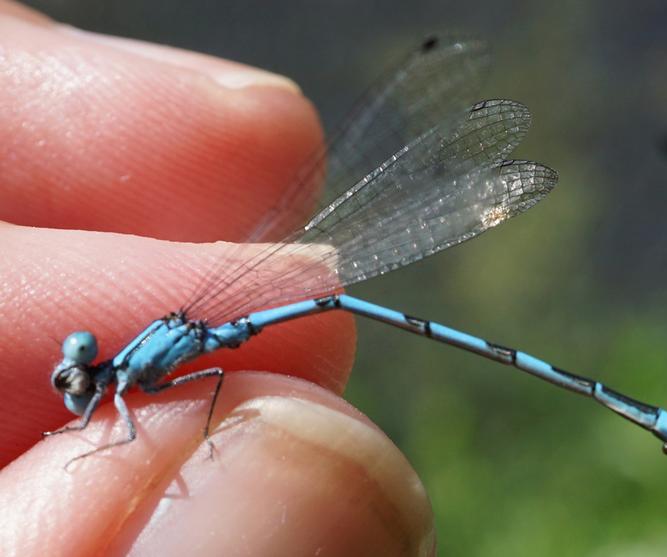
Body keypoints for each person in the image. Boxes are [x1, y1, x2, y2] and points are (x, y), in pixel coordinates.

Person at [0, 1, 434, 555]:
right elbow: (207, 384)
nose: (78, 388)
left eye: (77, 385)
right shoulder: (122, 374)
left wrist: (101, 446)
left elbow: (132, 430)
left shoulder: (126, 381)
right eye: (76, 382)